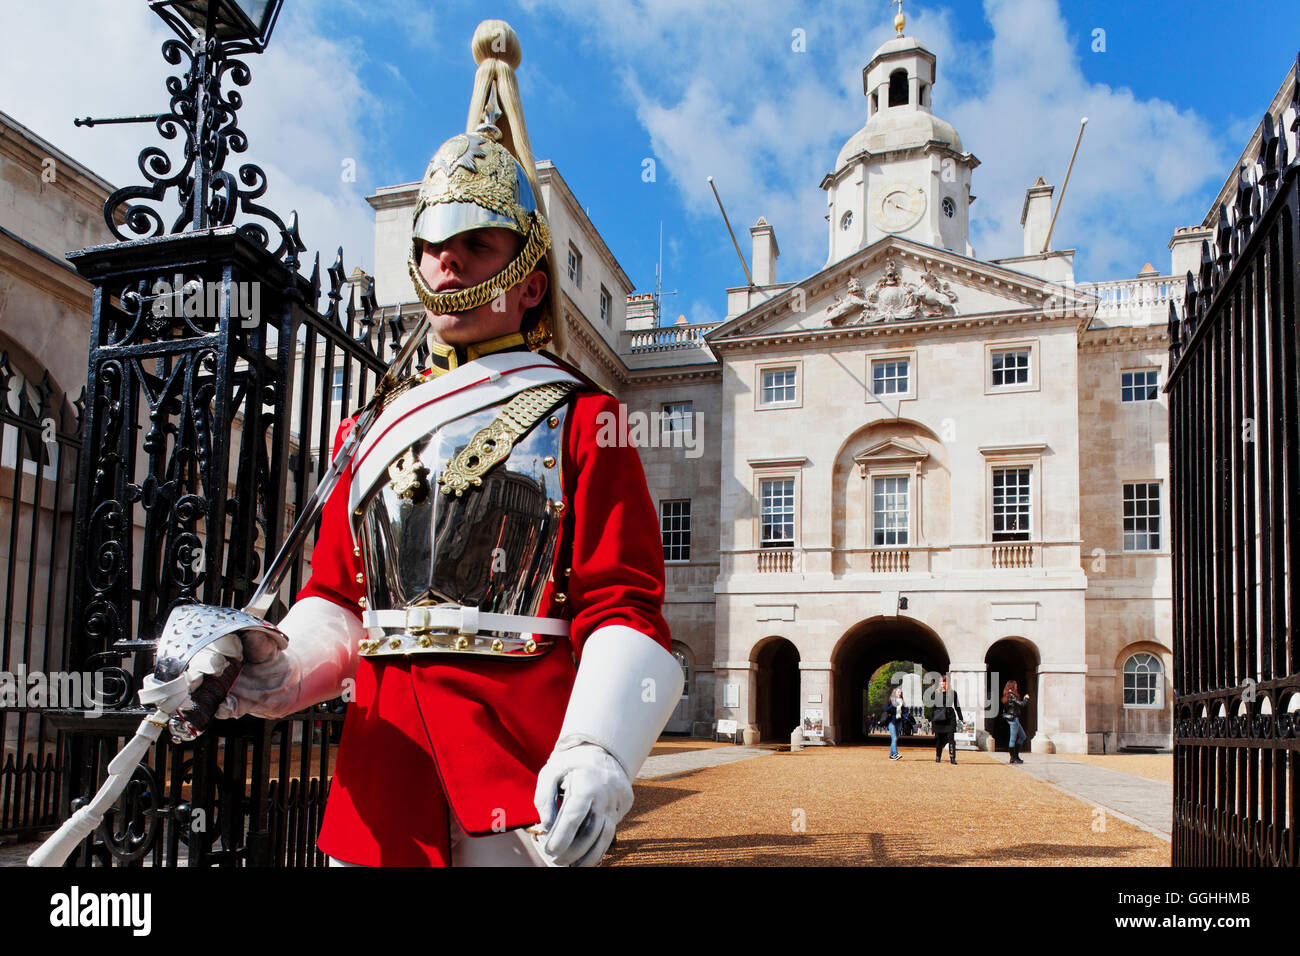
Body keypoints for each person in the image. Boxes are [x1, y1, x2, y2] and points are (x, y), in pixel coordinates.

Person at [166, 19, 682, 867]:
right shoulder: (369, 426)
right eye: (434, 248)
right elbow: (337, 601)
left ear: (531, 284)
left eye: (476, 244)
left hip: (521, 768)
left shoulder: (586, 418)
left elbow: (622, 607)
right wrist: (276, 671)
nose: (447, 265)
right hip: (380, 775)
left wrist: (597, 747)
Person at [931, 674, 963, 764]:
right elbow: (932, 707)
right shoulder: (935, 693)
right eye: (941, 682)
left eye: (944, 682)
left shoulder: (953, 693)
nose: (942, 683)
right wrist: (932, 720)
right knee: (939, 740)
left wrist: (961, 718)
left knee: (951, 739)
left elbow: (957, 706)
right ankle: (938, 756)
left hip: (950, 717)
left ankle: (952, 758)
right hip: (939, 718)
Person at [1001, 679, 1031, 764]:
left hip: (1014, 718)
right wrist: (1026, 698)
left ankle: (1016, 756)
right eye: (1016, 685)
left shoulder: (1008, 695)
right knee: (1013, 739)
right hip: (1014, 719)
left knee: (1023, 736)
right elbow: (1021, 704)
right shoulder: (1011, 695)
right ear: (1012, 686)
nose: (1017, 686)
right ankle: (1013, 758)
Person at [883, 686, 905, 760]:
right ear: (894, 693)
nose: (900, 693)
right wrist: (893, 705)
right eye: (898, 692)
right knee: (894, 738)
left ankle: (891, 756)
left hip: (899, 721)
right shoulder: (890, 701)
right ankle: (895, 754)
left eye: (900, 692)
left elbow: (905, 711)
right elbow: (886, 709)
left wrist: (904, 717)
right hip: (891, 721)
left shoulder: (902, 701)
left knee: (894, 739)